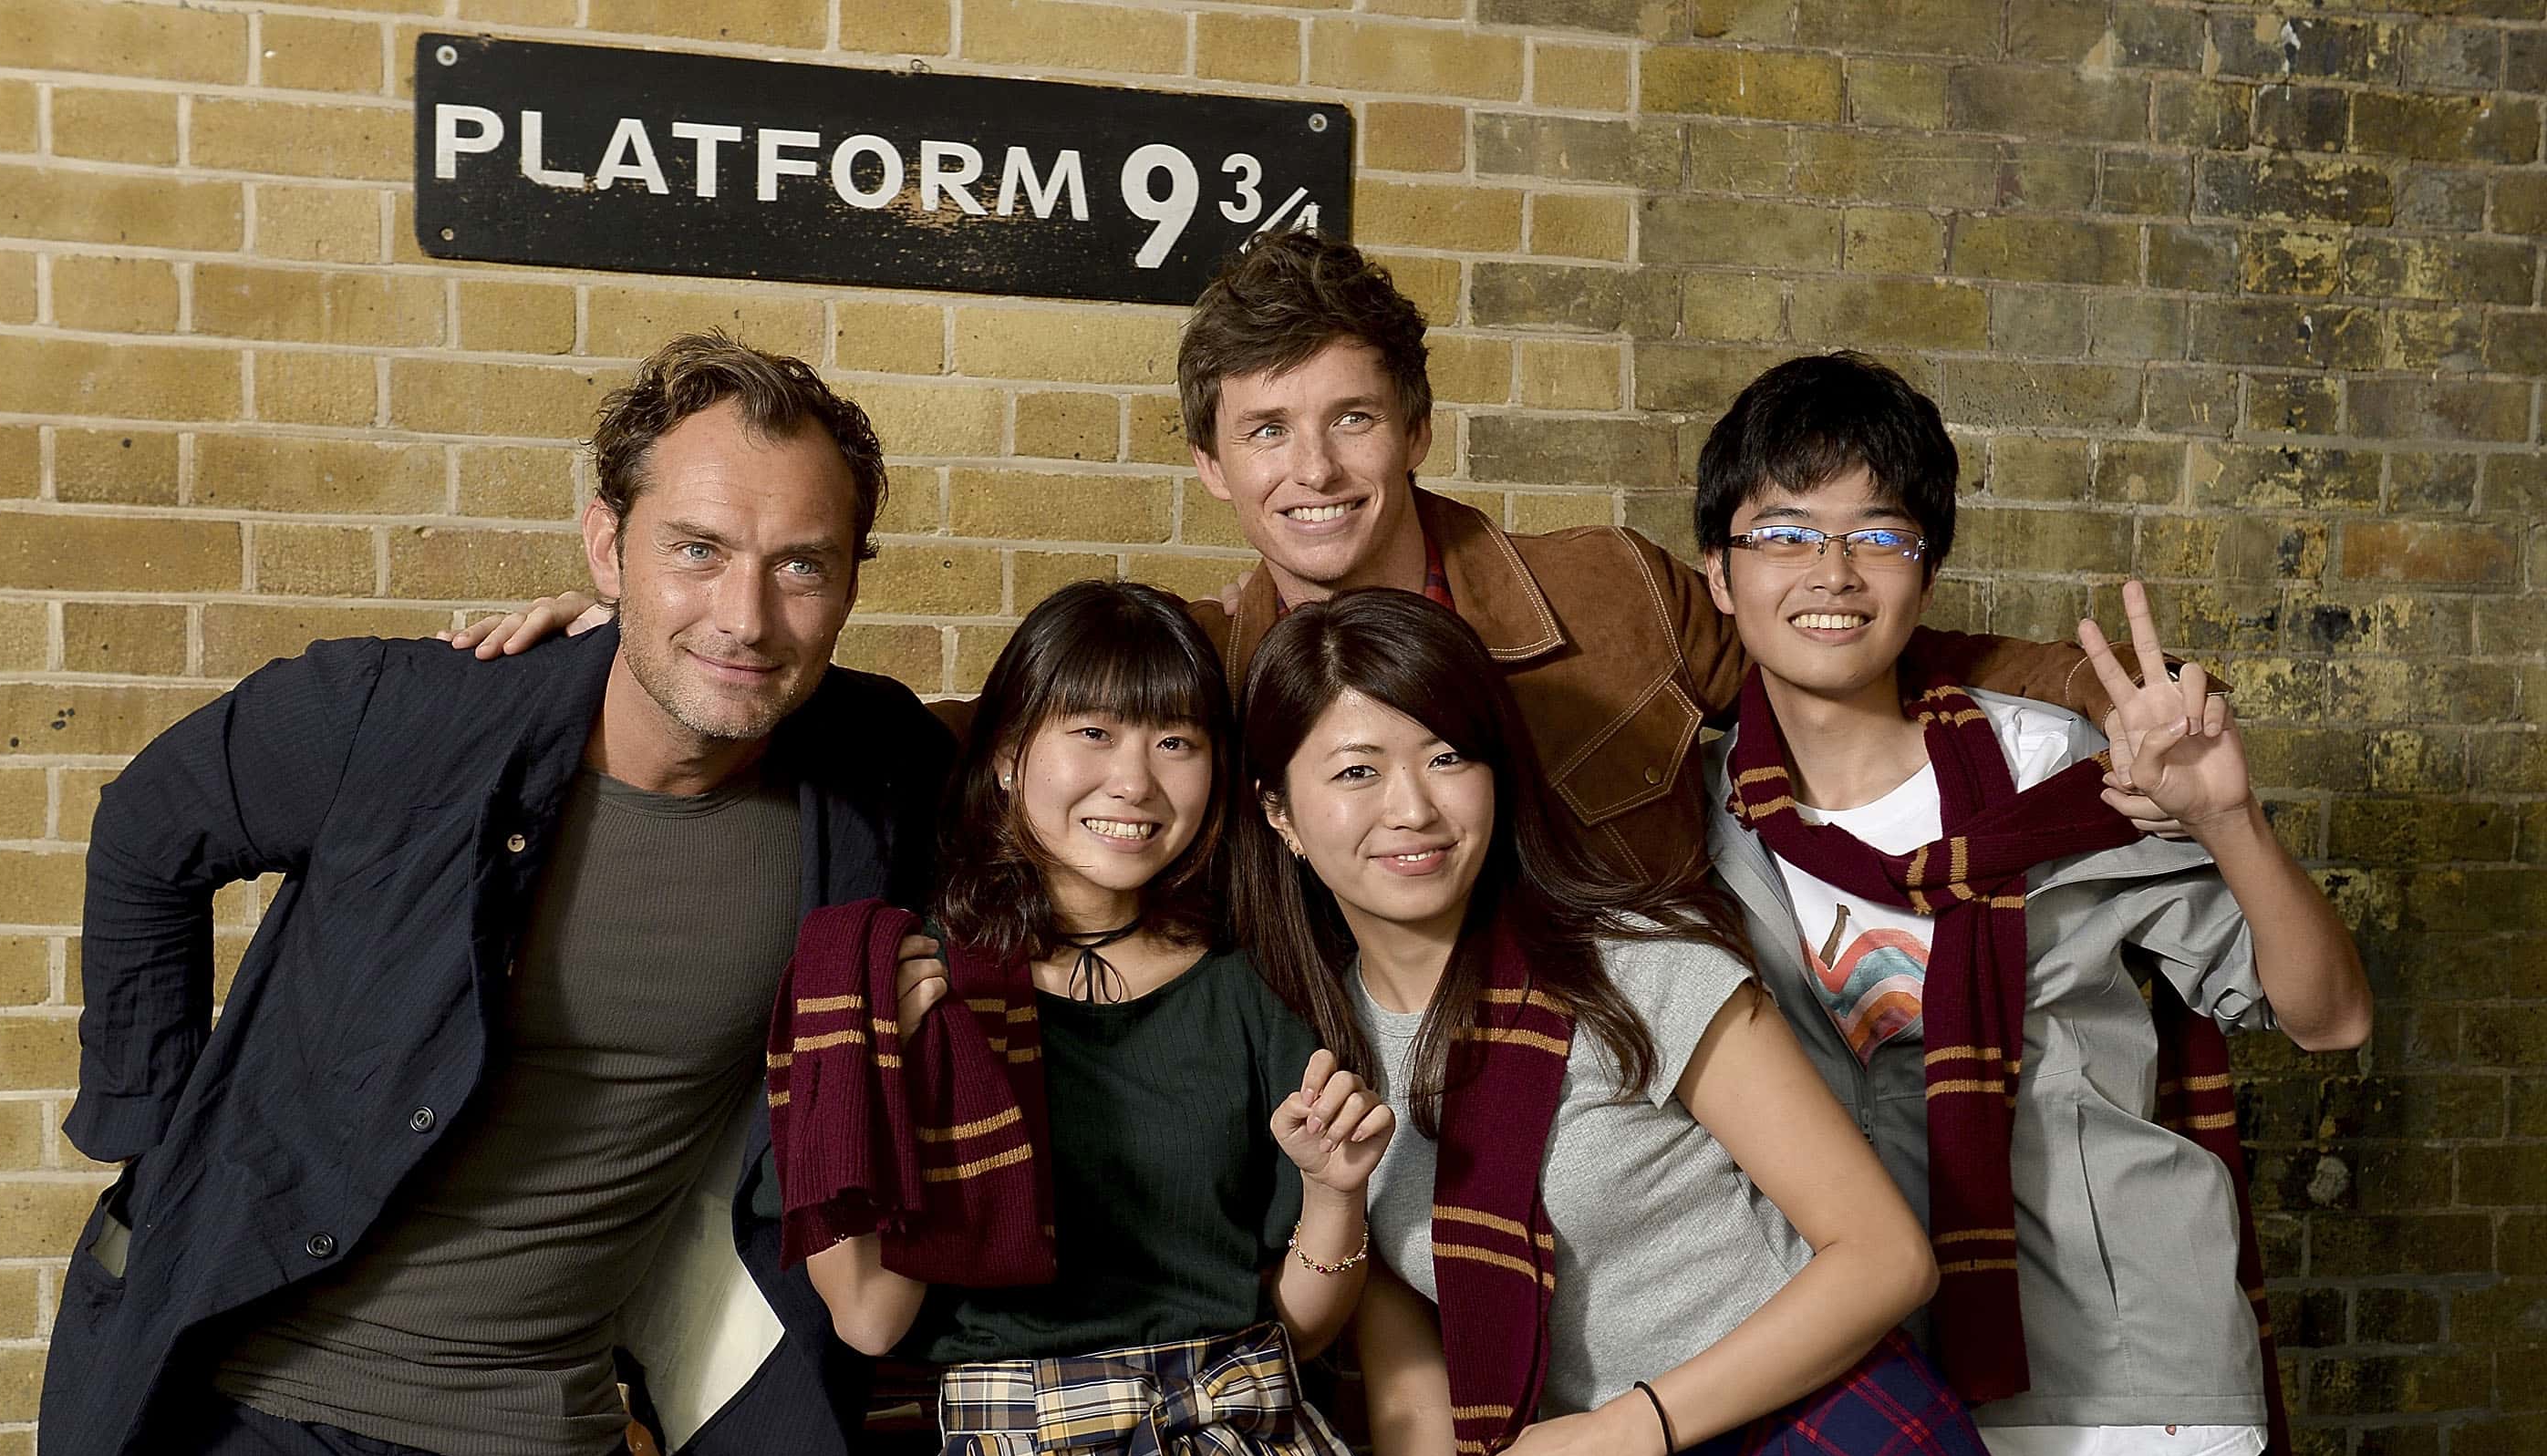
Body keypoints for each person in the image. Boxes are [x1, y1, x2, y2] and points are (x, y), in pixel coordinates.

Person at [45, 332, 954, 1456]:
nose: (744, 614)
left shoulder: (872, 779)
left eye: (803, 566)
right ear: (605, 544)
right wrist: (159, 1134)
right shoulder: (407, 718)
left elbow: (1120, 759)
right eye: (697, 550)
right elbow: (151, 824)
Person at [452, 232, 2169, 881]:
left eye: (1350, 419)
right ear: (1212, 470)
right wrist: (631, 651)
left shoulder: (1617, 592)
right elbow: (965, 732)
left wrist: (2123, 714)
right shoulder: (1204, 670)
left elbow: (1860, 649)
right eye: (1266, 434)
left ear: (1415, 423)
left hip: (1679, 1116)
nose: (1315, 469)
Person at [1235, 587, 2070, 1456]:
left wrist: (1624, 1428)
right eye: (1356, 769)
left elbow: (1883, 1256)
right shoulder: (1316, 1052)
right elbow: (1410, 1384)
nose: (1412, 806)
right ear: (1280, 813)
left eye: (1448, 756)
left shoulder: (1624, 962)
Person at [1693, 352, 2371, 1456]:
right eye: (1785, 531)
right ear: (1722, 569)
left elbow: (2326, 1012)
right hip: (1890, 1422)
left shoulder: (2048, 767)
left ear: (1924, 564)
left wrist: (2226, 818)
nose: (1831, 571)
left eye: (1878, 533)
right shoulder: (1691, 827)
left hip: (2149, 1403)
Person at [786, 580, 1425, 1456]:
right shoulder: (898, 979)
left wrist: (1336, 1192)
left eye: (1178, 740)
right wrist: (910, 1083)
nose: (1136, 779)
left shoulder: (1253, 990)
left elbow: (1294, 1329)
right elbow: (870, 1320)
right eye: (1094, 731)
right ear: (1012, 753)